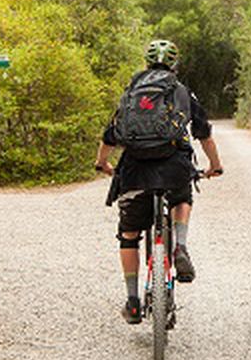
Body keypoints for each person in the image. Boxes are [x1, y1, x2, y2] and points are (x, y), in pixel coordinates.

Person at [95, 39, 223, 324]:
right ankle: (180, 246)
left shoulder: (131, 92)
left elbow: (111, 134)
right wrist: (215, 165)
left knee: (128, 235)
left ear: (146, 63)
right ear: (175, 65)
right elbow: (204, 133)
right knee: (182, 197)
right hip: (174, 166)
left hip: (134, 171)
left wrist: (102, 162)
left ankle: (131, 301)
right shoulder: (181, 92)